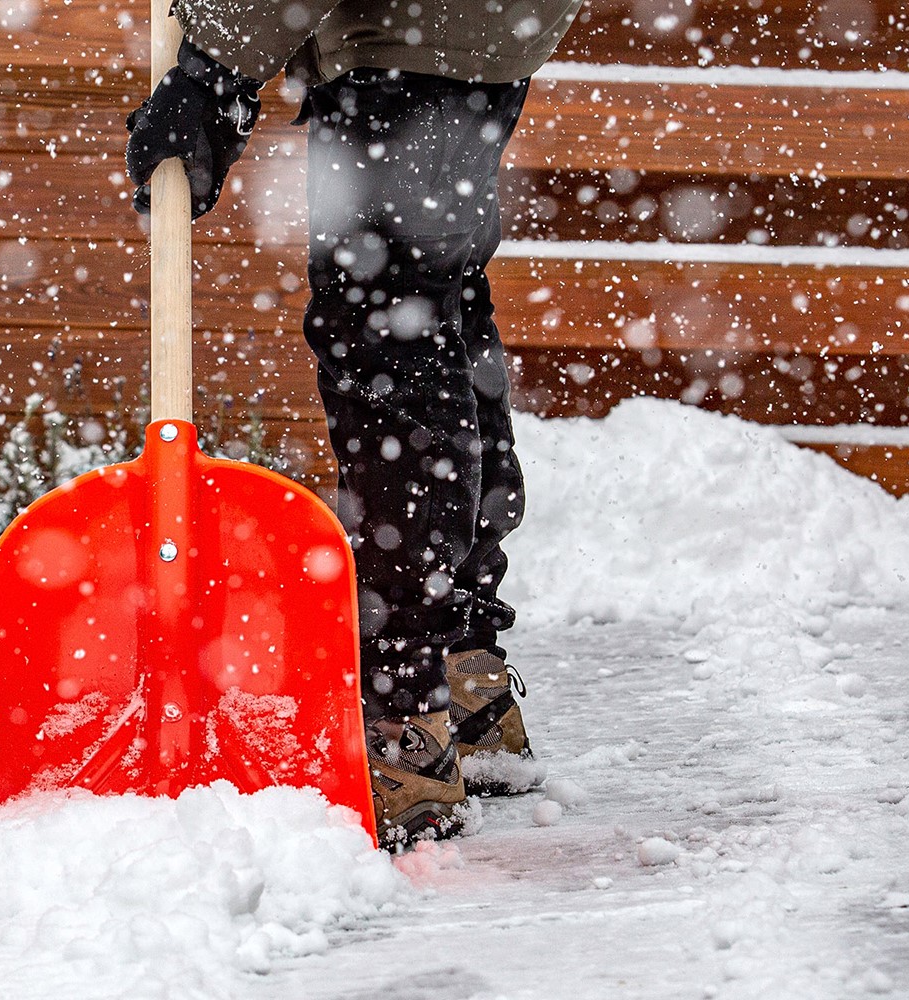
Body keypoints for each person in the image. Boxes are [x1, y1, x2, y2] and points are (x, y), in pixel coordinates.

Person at [126, 0, 585, 845]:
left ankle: (407, 726)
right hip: (476, 30)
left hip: (414, 32)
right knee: (435, 316)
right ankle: (466, 678)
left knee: (391, 352)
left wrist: (213, 70)